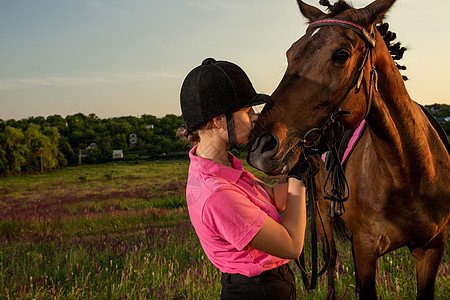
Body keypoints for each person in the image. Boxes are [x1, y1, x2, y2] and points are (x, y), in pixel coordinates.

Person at [179, 58, 312, 299]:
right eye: (247, 111)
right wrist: (298, 179)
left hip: (266, 285)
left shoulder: (221, 166)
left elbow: (273, 199)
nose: (254, 118)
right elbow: (292, 245)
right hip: (259, 291)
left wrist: (298, 163)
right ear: (219, 120)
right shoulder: (218, 193)